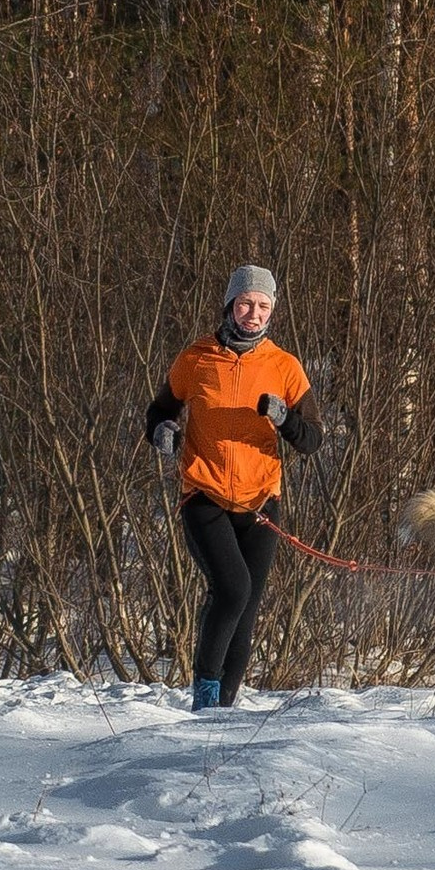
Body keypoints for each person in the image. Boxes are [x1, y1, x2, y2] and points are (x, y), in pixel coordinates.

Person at [142, 264, 322, 710]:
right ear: (230, 305)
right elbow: (160, 409)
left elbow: (313, 439)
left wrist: (285, 419)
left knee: (246, 606)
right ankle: (204, 692)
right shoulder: (196, 358)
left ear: (272, 311)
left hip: (261, 501)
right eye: (245, 304)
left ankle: (223, 706)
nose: (253, 314)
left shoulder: (284, 367)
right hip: (204, 494)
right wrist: (162, 430)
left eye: (263, 306)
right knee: (233, 588)